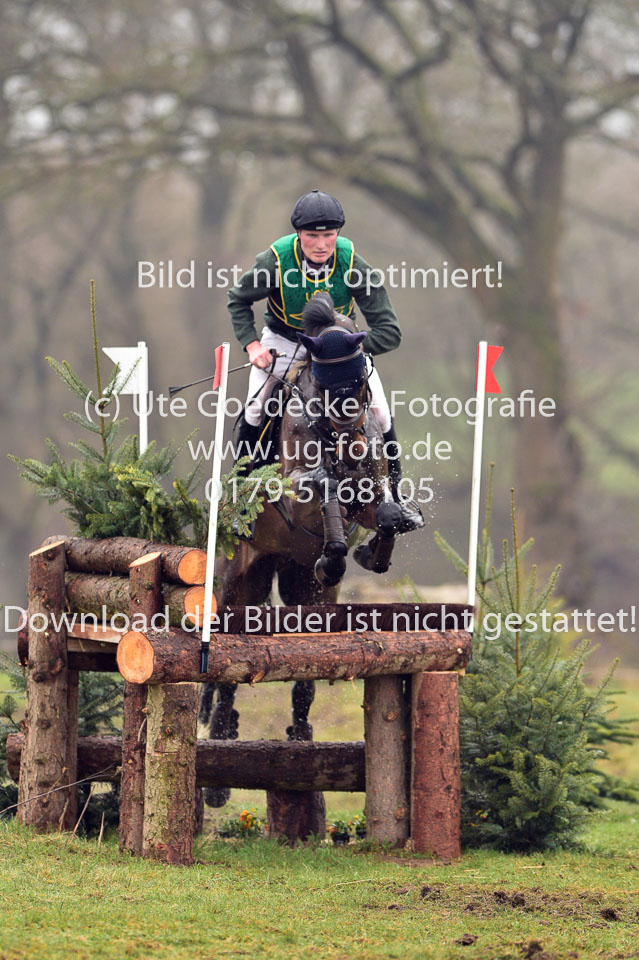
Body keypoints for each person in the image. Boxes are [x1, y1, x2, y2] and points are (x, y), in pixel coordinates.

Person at [227, 188, 423, 534]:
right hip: (285, 341)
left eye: (329, 236)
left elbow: (390, 332)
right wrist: (252, 345)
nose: (321, 245)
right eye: (312, 236)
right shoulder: (274, 261)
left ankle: (395, 497)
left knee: (380, 412)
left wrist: (345, 349)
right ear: (298, 234)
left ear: (338, 234)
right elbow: (238, 300)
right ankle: (241, 500)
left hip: (339, 349)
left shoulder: (352, 263)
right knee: (256, 408)